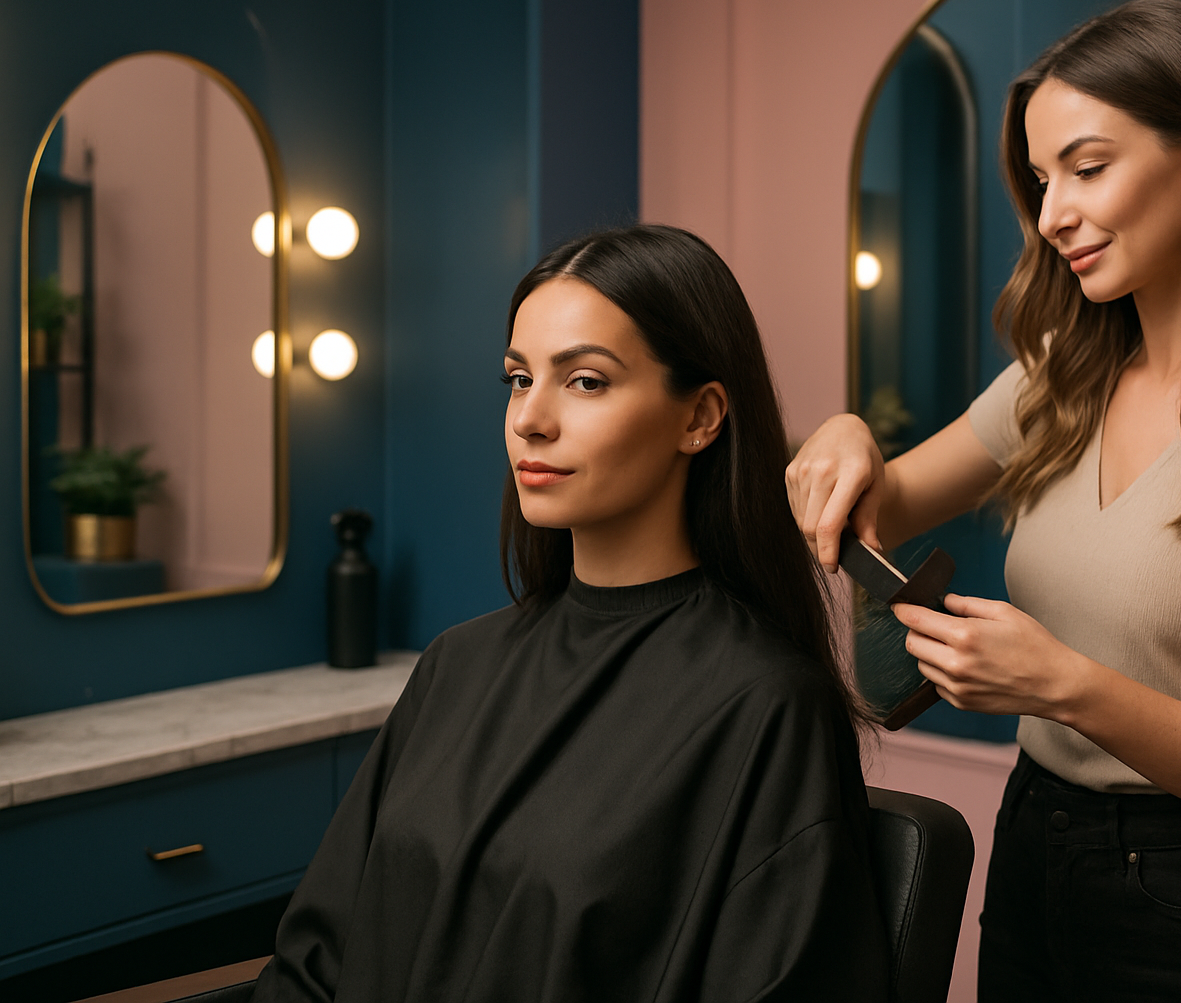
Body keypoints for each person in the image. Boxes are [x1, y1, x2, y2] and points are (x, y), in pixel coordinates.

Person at [788, 0, 1181, 1003]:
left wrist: (1064, 684)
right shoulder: (1058, 379)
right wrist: (846, 435)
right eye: (1040, 182)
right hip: (1033, 857)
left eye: (1087, 167)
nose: (1052, 215)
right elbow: (879, 507)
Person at [254, 224, 891, 1003]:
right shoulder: (456, 665)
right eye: (519, 379)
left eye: (585, 381)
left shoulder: (766, 706)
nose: (531, 418)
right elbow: (315, 958)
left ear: (700, 417)